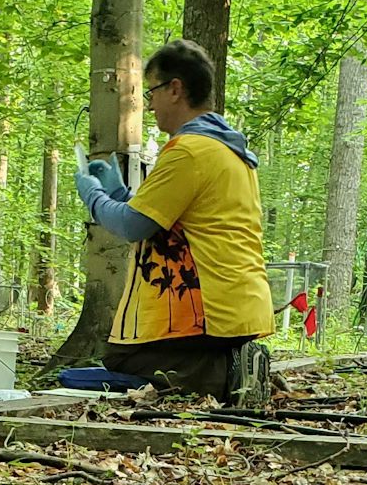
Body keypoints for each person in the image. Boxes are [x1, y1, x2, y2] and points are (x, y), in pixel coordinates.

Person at [74, 39, 273, 402]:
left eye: (151, 92)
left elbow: (133, 226)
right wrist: (118, 194)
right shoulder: (226, 148)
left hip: (209, 306)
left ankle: (225, 375)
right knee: (126, 356)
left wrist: (92, 197)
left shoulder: (189, 151)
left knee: (123, 357)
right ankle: (233, 362)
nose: (149, 105)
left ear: (175, 89)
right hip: (238, 306)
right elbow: (158, 216)